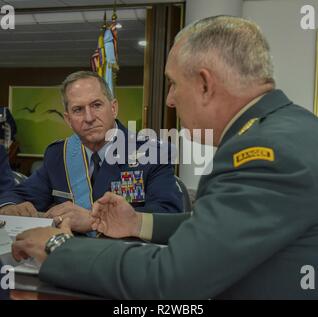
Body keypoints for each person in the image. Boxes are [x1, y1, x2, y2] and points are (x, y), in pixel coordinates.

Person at [11, 16, 318, 299]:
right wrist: (137, 222)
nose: (170, 100)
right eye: (78, 110)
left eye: (173, 83)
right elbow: (211, 225)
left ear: (205, 84)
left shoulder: (263, 154)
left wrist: (57, 248)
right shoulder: (286, 130)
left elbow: (173, 279)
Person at [0, 71, 183, 233]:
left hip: (124, 259)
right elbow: (19, 195)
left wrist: (93, 220)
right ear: (68, 119)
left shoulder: (151, 153)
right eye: (78, 110)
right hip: (69, 259)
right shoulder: (58, 155)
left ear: (113, 108)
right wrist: (10, 207)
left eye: (96, 105)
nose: (89, 118)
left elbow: (167, 216)